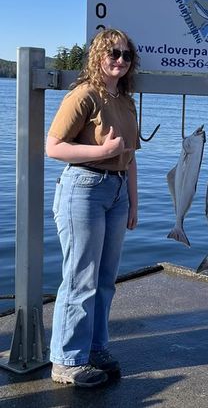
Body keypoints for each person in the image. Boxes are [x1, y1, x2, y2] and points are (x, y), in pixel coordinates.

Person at [46, 28, 140, 388]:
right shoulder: (83, 95)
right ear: (99, 55)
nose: (120, 60)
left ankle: (96, 348)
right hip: (83, 189)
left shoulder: (127, 101)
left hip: (116, 193)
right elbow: (53, 147)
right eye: (113, 53)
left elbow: (129, 156)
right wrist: (101, 152)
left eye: (126, 55)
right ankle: (67, 361)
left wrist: (133, 200)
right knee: (80, 278)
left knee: (104, 280)